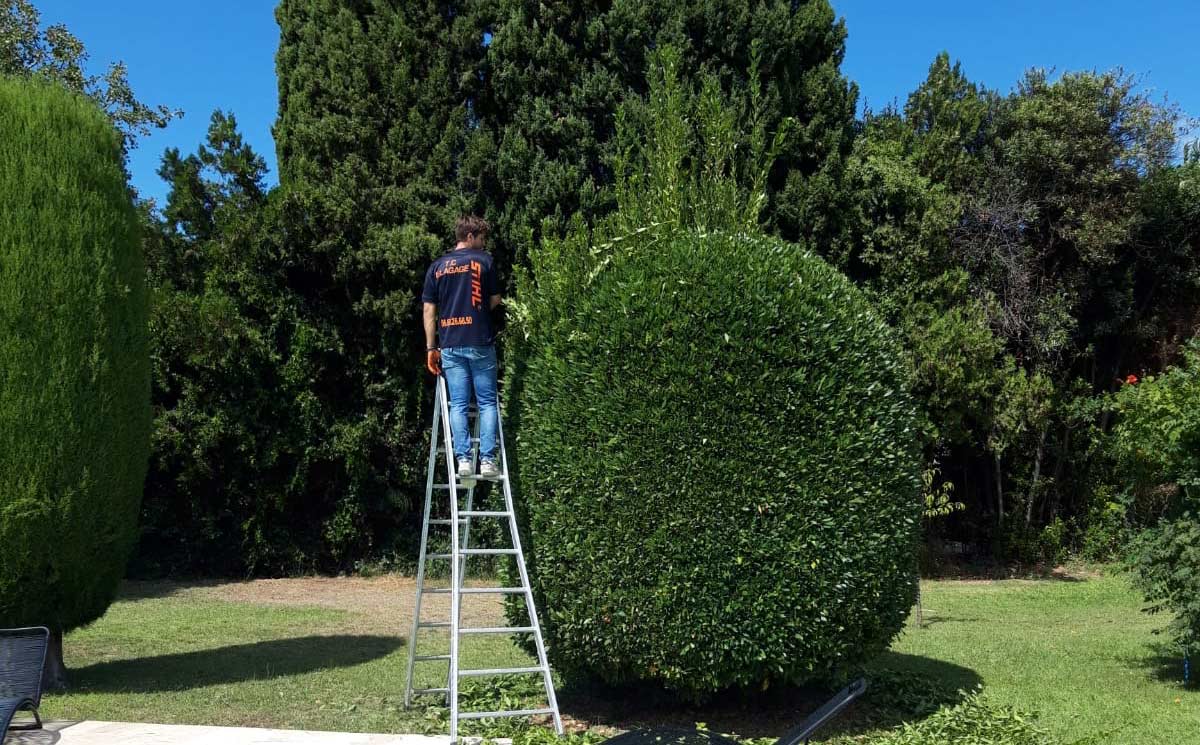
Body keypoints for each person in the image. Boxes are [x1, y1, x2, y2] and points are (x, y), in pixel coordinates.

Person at [422, 215, 503, 478]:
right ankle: (488, 461)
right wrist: (477, 313)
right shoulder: (484, 261)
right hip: (479, 340)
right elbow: (495, 298)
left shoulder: (437, 267)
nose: (483, 244)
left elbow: (429, 310)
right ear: (469, 237)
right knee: (487, 402)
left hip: (451, 344)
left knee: (457, 404)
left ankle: (464, 460)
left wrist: (430, 348)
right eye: (481, 238)